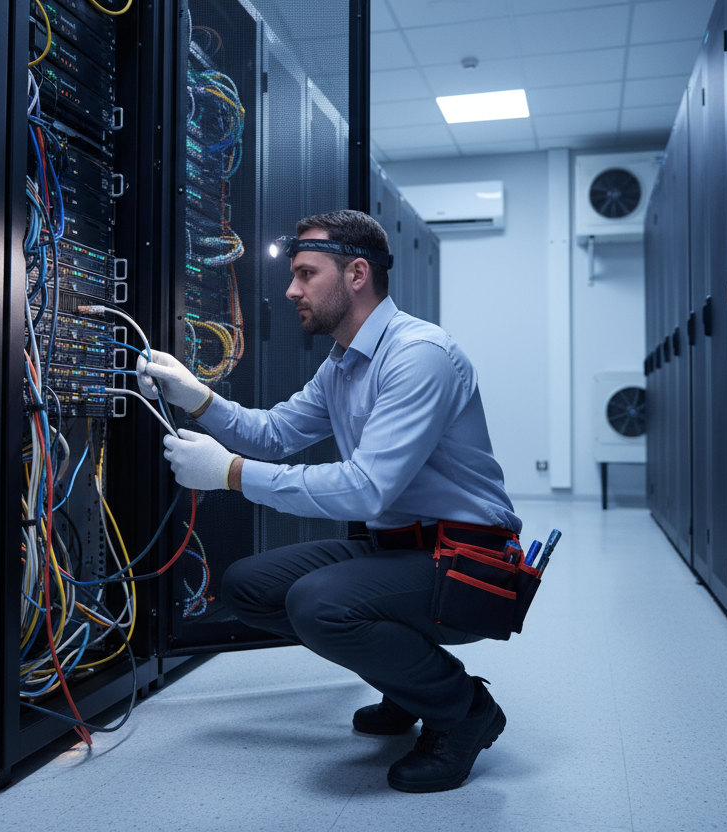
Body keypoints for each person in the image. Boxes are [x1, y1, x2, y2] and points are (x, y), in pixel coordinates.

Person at [136, 209, 522, 793]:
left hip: (466, 560)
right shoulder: (342, 364)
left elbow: (366, 488)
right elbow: (274, 433)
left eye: (305, 274)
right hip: (398, 549)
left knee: (320, 604)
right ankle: (408, 683)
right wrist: (197, 398)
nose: (292, 290)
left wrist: (231, 474)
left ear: (357, 274)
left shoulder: (419, 355)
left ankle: (463, 708)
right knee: (247, 587)